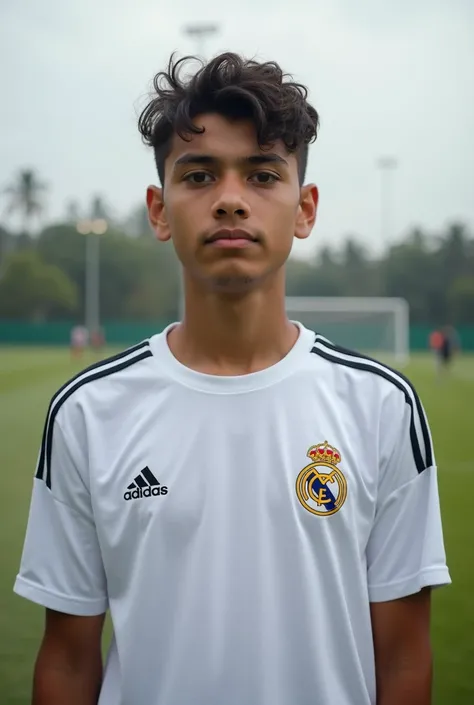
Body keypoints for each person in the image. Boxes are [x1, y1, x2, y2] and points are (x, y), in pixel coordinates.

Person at [14, 52, 450, 705]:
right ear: (159, 211)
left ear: (304, 209)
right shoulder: (87, 411)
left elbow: (404, 657)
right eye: (199, 174)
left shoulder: (382, 407)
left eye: (262, 174)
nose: (229, 200)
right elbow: (70, 662)